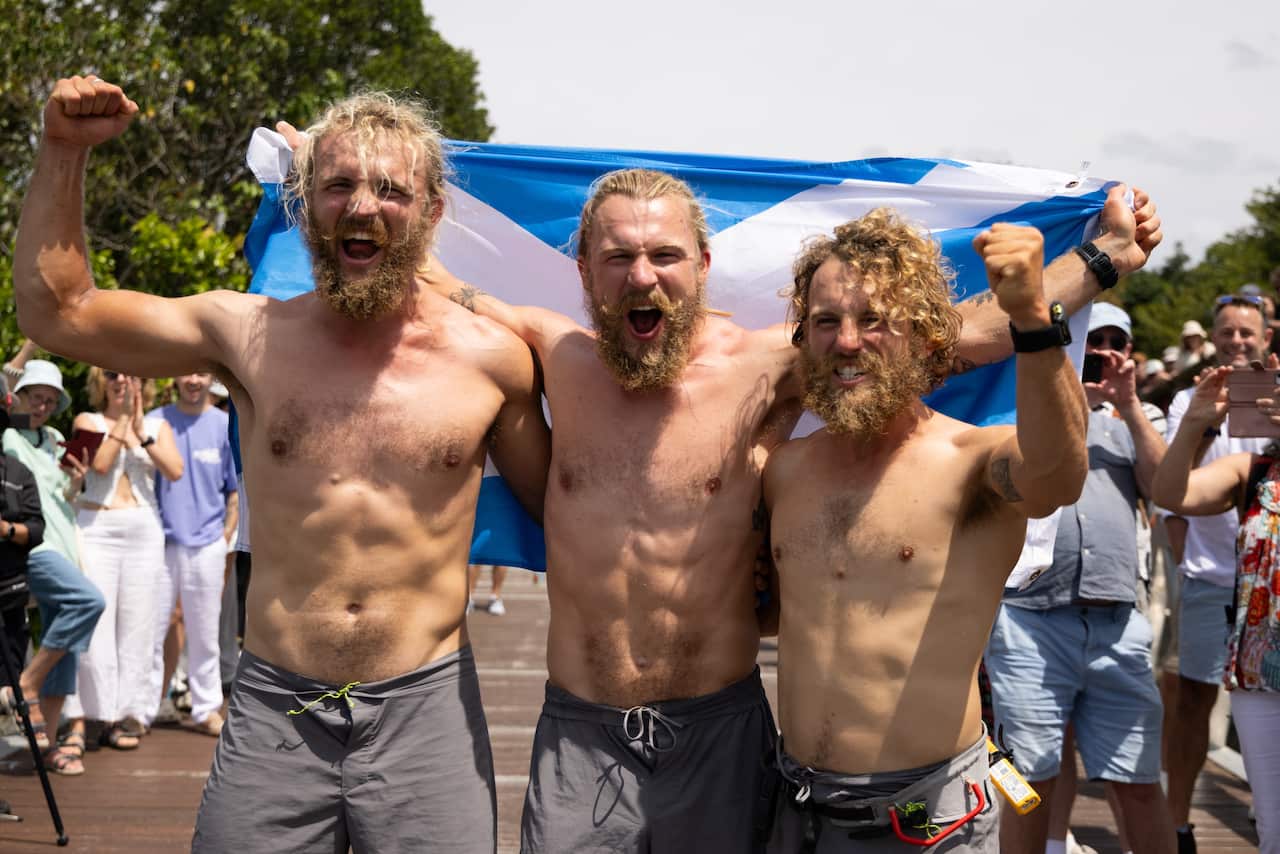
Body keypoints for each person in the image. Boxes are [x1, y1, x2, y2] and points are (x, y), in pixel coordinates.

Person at [430, 159, 1160, 851]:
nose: (642, 275)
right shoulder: (554, 351)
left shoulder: (780, 360)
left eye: (665, 254)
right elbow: (423, 278)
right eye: (619, 257)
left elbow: (961, 332)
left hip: (732, 736)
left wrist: (1103, 259)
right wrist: (315, 160)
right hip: (584, 736)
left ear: (704, 267)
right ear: (584, 270)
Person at [15, 74, 550, 853]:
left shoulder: (493, 361)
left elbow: (568, 515)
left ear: (431, 211)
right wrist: (62, 149)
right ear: (304, 207)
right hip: (276, 710)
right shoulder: (246, 335)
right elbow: (58, 310)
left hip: (424, 714)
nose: (362, 205)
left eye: (390, 189)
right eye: (337, 185)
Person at [755, 210, 1088, 850]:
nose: (847, 341)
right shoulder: (785, 472)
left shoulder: (969, 464)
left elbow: (1056, 478)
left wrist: (1032, 321)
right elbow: (775, 614)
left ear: (926, 336)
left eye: (873, 319)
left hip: (930, 822)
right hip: (797, 812)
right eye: (826, 321)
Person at [984, 303, 1176, 854]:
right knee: (1026, 782)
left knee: (1139, 781)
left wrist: (1130, 403)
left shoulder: (1136, 425)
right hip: (1028, 621)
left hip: (1118, 624)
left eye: (1115, 341)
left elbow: (1167, 492)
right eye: (1090, 338)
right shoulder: (1020, 412)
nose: (1100, 352)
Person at [1160, 294, 1272, 854]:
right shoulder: (1191, 399)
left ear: (1266, 338)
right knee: (1193, 704)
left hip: (1270, 591)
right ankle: (1176, 823)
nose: (1237, 342)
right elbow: (1171, 495)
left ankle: (1263, 811)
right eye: (1226, 332)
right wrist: (1209, 418)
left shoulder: (1276, 398)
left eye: (1248, 333)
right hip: (1211, 578)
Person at [68, 369, 182, 750]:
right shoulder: (89, 420)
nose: (122, 380)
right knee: (97, 624)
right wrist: (121, 423)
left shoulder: (156, 425)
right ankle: (91, 714)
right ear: (101, 381)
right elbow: (99, 465)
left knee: (138, 626)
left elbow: (175, 470)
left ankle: (124, 716)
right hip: (97, 526)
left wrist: (140, 430)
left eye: (131, 373)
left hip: (143, 529)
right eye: (113, 373)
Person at [1, 358, 105, 775]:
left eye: (49, 400)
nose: (42, 406)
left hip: (65, 543)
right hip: (34, 547)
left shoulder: (57, 438)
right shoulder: (8, 435)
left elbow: (66, 498)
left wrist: (78, 482)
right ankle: (27, 683)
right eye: (35, 397)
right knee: (88, 603)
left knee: (69, 646)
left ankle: (45, 746)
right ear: (19, 397)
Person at [145, 371, 239, 737]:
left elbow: (235, 490)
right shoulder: (155, 420)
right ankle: (144, 707)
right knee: (151, 631)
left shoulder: (224, 424)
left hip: (208, 544)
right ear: (175, 379)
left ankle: (206, 709)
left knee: (205, 632)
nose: (194, 381)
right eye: (188, 373)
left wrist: (225, 535)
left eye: (201, 373)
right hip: (160, 543)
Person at [0, 374, 55, 769]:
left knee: (6, 681)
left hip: (9, 595)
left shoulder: (18, 473)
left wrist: (7, 530)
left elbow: (36, 530)